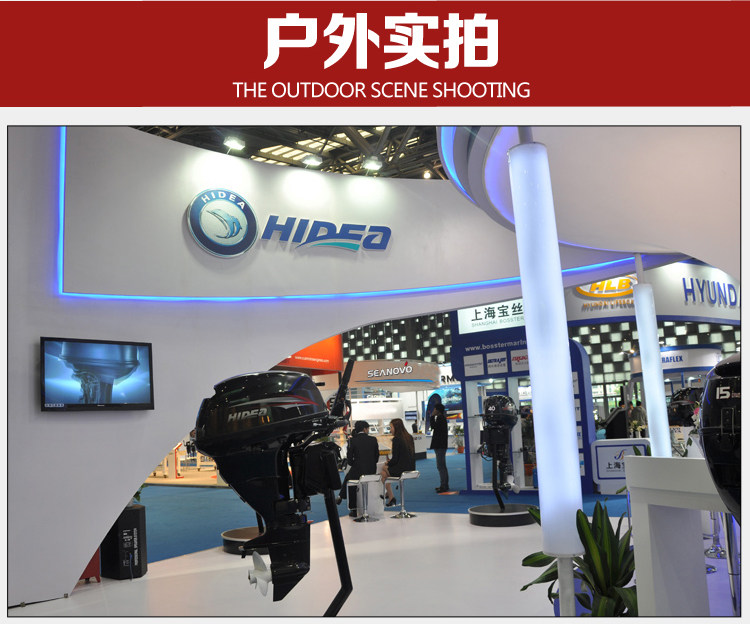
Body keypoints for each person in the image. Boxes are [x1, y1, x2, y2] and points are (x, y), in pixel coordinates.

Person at [337, 420, 380, 507]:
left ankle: (352, 507)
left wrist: (355, 464)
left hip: (358, 471)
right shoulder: (373, 439)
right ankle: (341, 496)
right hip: (371, 470)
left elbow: (349, 458)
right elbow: (376, 457)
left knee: (350, 480)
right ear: (365, 429)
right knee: (349, 476)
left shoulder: (352, 441)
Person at [380, 418, 416, 506]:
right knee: (384, 474)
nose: (390, 430)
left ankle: (388, 494)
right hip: (411, 468)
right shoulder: (409, 437)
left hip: (401, 469)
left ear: (396, 427)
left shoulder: (396, 439)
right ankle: (391, 497)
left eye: (391, 427)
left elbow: (395, 459)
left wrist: (388, 463)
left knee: (384, 468)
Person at [429, 403, 449, 493]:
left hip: (440, 445)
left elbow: (433, 426)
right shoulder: (442, 418)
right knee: (442, 466)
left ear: (437, 410)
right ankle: (444, 484)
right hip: (441, 445)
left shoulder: (440, 419)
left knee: (441, 466)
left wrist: (432, 416)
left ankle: (443, 485)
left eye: (434, 409)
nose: (433, 411)